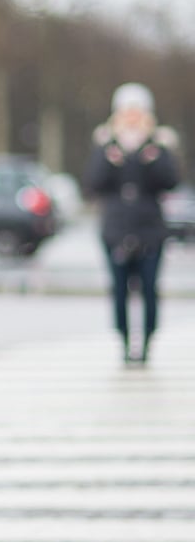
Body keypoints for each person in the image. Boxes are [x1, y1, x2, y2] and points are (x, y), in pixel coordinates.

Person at [85, 82, 179, 364]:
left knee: (150, 288)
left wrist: (151, 159)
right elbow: (93, 183)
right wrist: (110, 159)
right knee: (119, 289)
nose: (132, 117)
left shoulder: (159, 145)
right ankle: (124, 341)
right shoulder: (106, 145)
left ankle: (148, 340)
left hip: (150, 230)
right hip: (116, 230)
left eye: (137, 111)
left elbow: (170, 181)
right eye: (128, 111)